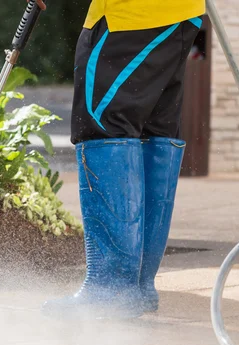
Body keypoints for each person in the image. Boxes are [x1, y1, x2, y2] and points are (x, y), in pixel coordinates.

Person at [34, 0, 206, 318]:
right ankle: (135, 288)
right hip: (178, 16)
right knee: (149, 134)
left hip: (130, 18)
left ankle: (110, 288)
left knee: (104, 127)